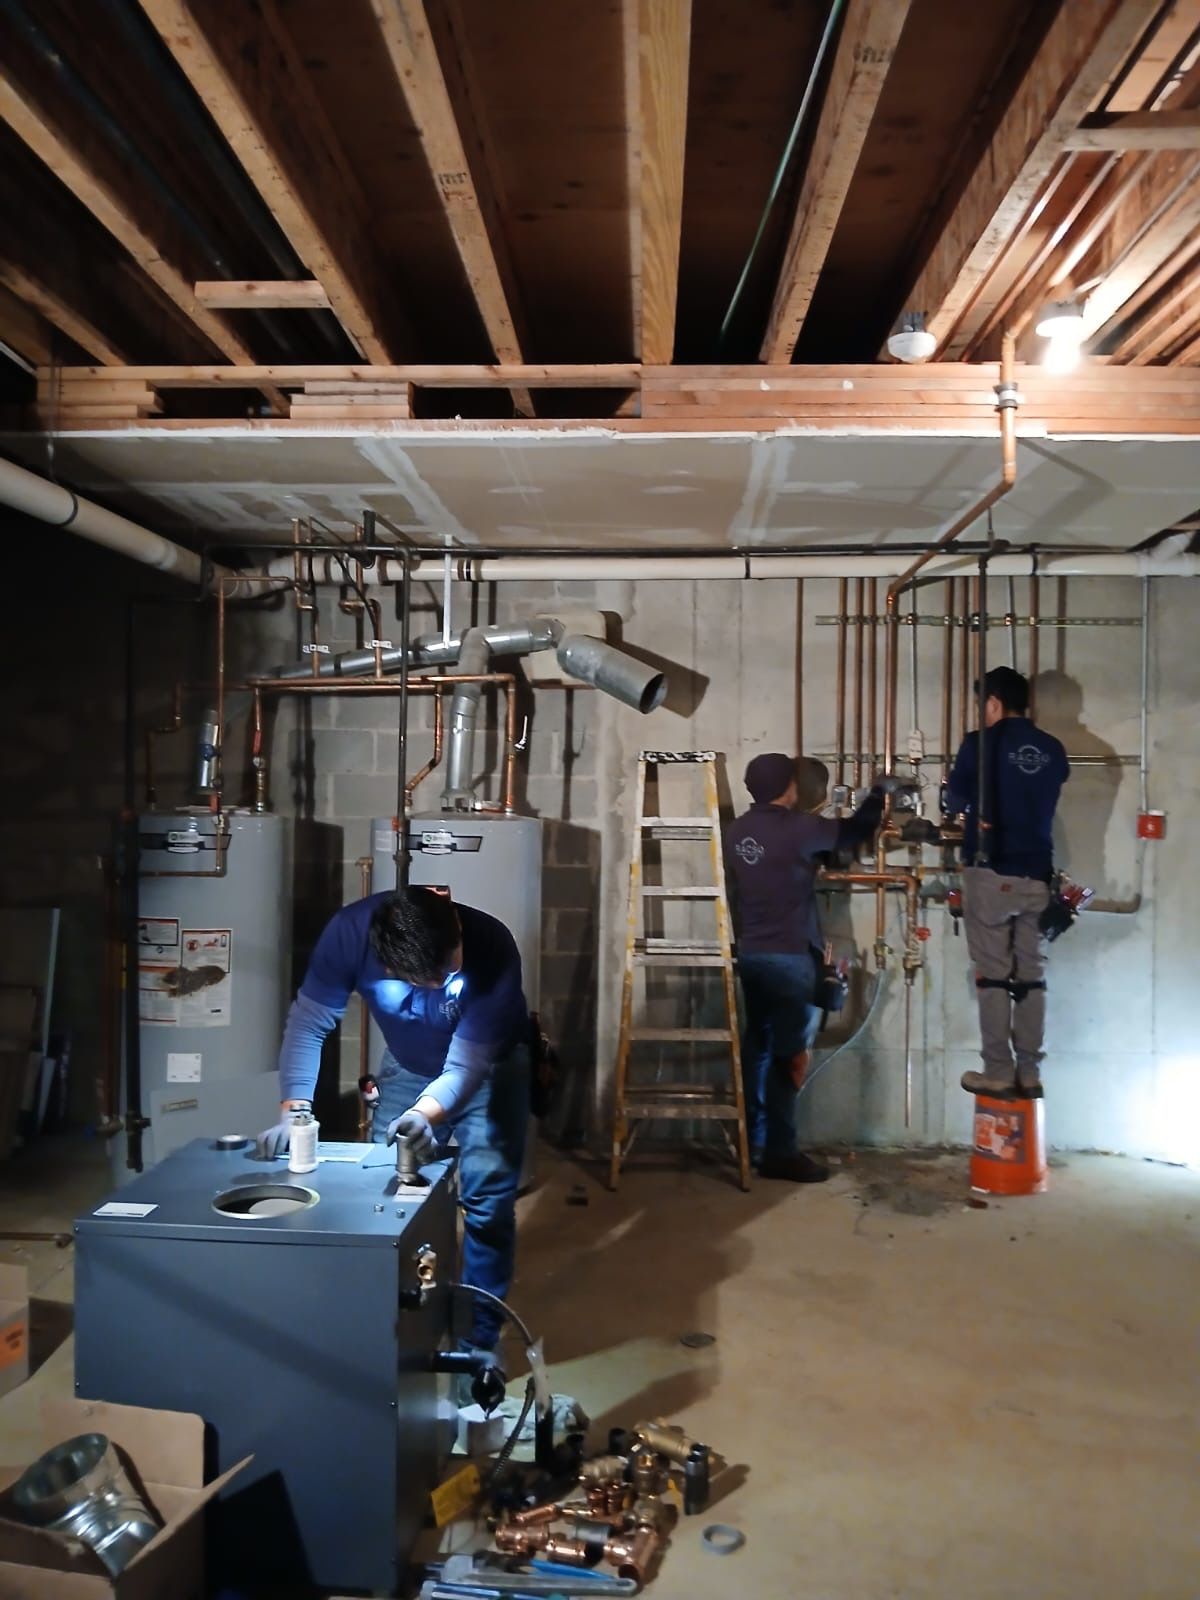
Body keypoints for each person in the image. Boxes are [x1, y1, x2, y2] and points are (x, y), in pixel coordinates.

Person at [257, 885, 529, 1362]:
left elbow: (465, 1068)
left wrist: (424, 1113)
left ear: (457, 931)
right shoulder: (349, 935)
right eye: (421, 980)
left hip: (489, 1072)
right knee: (389, 1197)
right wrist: (294, 1107)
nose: (439, 984)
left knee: (485, 1204)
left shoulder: (493, 946)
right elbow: (310, 1022)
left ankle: (478, 1343)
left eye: (448, 971)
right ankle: (393, 1331)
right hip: (407, 1067)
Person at [725, 752, 885, 1182]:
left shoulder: (737, 831)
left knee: (757, 1049)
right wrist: (879, 794)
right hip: (791, 957)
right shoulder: (798, 828)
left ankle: (752, 1144)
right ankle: (781, 1152)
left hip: (753, 955)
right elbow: (854, 832)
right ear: (787, 786)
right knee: (788, 1058)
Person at [945, 665, 1069, 1100]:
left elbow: (954, 799)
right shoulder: (1053, 749)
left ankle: (999, 1070)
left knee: (995, 977)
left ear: (993, 702)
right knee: (1032, 977)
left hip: (990, 870)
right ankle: (1030, 1073)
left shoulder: (979, 744)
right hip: (1038, 874)